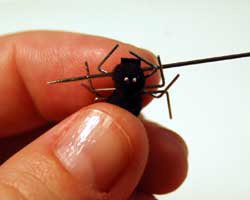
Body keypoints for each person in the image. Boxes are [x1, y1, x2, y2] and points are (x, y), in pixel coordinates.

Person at [0, 31, 188, 200]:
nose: (130, 80)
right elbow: (158, 87)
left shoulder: (130, 85)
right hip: (123, 113)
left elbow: (159, 88)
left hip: (125, 113)